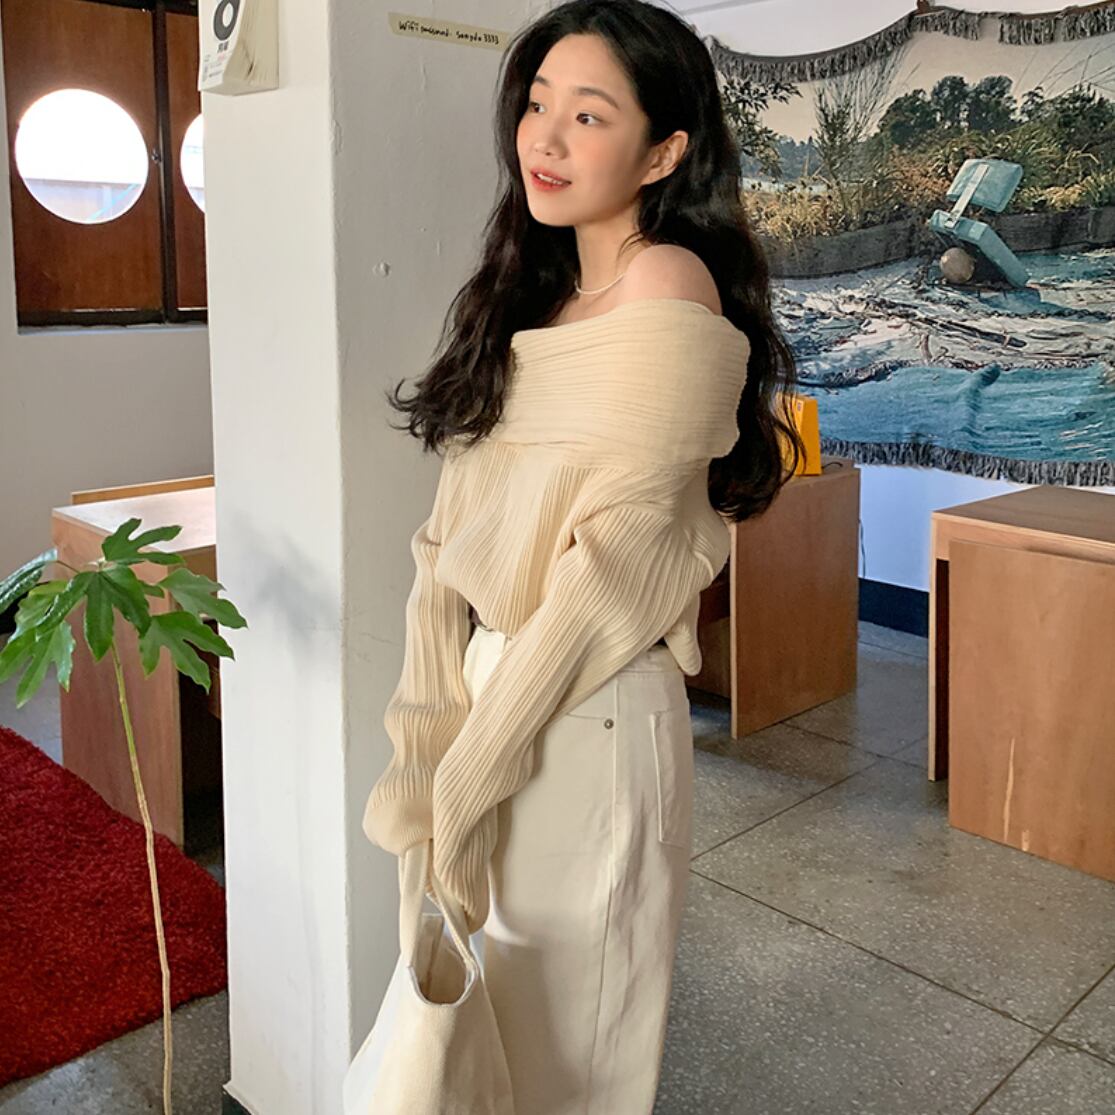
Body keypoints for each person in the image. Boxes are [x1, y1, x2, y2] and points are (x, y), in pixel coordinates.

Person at [362, 1, 804, 1111]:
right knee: (491, 1047)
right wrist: (426, 738)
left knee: (571, 1063)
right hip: (500, 692)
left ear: (663, 152)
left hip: (586, 706)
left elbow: (610, 573)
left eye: (589, 115)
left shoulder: (667, 286)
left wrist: (466, 777)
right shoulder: (541, 293)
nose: (544, 140)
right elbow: (445, 538)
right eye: (536, 105)